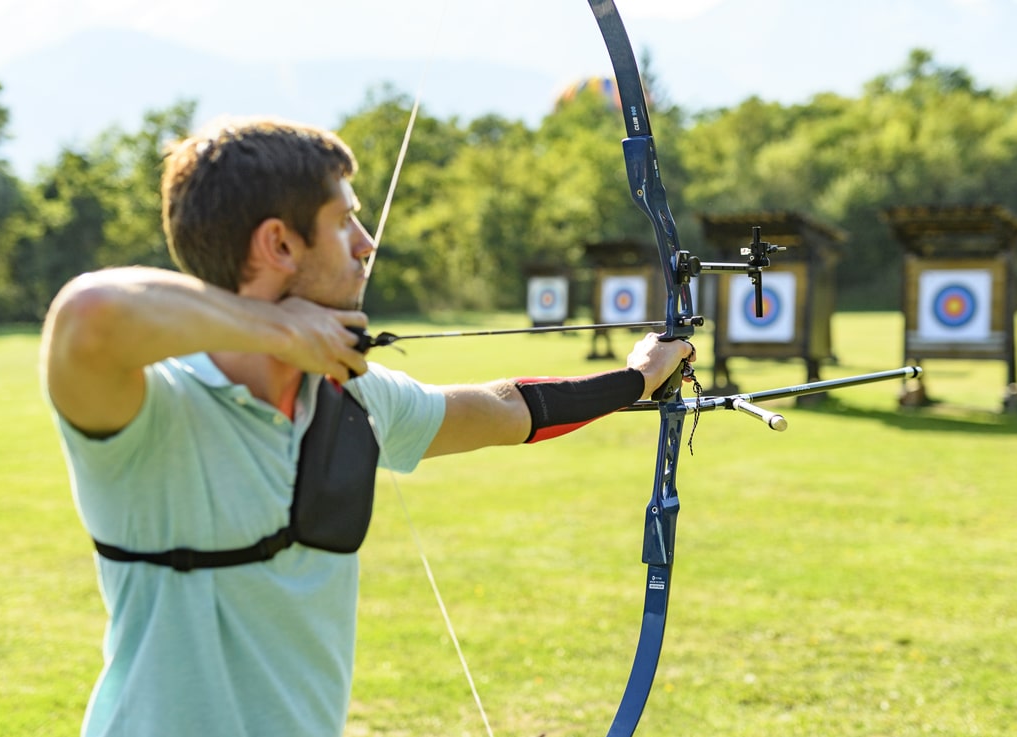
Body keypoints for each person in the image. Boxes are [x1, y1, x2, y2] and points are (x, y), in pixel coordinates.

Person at [39, 117, 695, 737]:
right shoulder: (152, 413)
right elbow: (88, 312)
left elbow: (503, 410)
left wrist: (635, 378)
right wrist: (283, 329)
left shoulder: (351, 396)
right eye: (345, 220)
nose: (366, 241)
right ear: (279, 243)